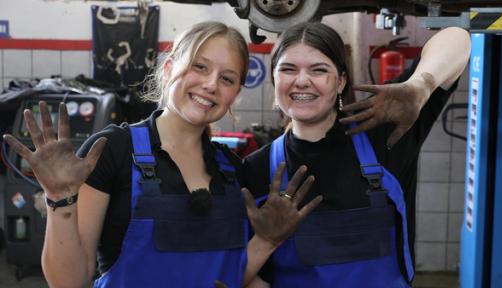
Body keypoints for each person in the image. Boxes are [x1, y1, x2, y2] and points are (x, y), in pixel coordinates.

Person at [3, 21, 322, 288]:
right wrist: (60, 200)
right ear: (169, 69)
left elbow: (228, 275)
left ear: (234, 95)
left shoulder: (231, 171)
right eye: (200, 66)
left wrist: (265, 242)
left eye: (227, 78)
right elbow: (68, 282)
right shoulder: (113, 150)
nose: (211, 84)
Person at [241, 22, 470, 287]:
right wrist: (265, 243)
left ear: (341, 82)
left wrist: (421, 85)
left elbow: (458, 39)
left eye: (319, 70)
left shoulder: (385, 135)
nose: (302, 81)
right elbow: (236, 274)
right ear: (274, 79)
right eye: (288, 69)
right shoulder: (255, 169)